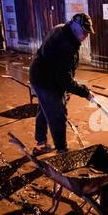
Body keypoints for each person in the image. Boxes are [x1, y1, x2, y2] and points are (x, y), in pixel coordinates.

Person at [29, 13, 95, 155]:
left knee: (45, 107)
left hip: (40, 73)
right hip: (45, 80)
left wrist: (67, 87)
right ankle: (61, 151)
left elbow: (63, 73)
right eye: (84, 32)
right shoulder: (66, 46)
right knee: (57, 113)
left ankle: (41, 142)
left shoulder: (62, 29)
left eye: (88, 33)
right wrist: (85, 92)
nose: (86, 36)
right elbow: (64, 79)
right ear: (75, 27)